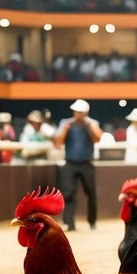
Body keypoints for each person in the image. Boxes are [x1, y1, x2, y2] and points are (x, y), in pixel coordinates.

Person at [54, 99, 103, 231]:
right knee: (68, 193)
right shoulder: (66, 123)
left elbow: (98, 138)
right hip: (70, 162)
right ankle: (69, 223)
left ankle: (92, 222)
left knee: (91, 192)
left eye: (81, 112)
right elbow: (58, 143)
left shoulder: (92, 124)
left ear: (86, 113)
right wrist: (65, 129)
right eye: (76, 112)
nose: (78, 115)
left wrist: (90, 126)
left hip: (86, 162)